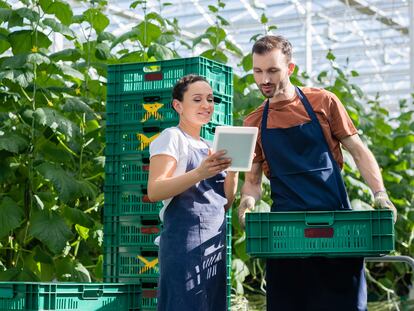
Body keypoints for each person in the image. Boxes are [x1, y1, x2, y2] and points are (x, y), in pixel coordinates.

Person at [237, 35, 397, 311]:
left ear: (290, 69)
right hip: (286, 234)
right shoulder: (252, 122)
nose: (264, 79)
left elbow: (358, 151)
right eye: (258, 70)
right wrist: (246, 203)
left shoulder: (323, 102)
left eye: (272, 70)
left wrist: (380, 194)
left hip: (336, 227)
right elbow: (252, 180)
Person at [148, 74, 238, 311]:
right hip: (183, 245)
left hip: (212, 247)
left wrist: (235, 171)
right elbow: (155, 190)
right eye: (197, 99)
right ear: (178, 106)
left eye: (210, 99)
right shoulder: (172, 138)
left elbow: (225, 203)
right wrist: (200, 172)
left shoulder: (211, 146)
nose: (206, 105)